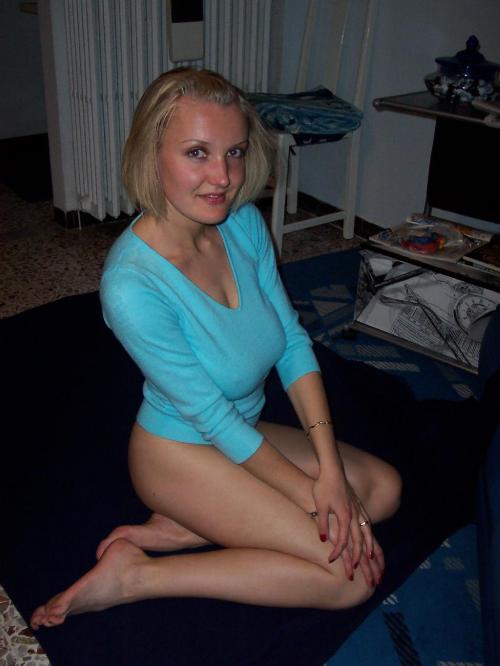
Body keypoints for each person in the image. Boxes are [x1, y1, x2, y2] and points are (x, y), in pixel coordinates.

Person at [30, 68, 401, 630]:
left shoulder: (242, 223)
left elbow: (292, 342)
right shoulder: (130, 284)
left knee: (384, 491)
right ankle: (136, 576)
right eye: (197, 153)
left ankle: (188, 527)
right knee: (349, 579)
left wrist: (329, 473)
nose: (222, 177)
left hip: (242, 428)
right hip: (179, 452)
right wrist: (314, 499)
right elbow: (212, 418)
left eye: (235, 152)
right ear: (151, 154)